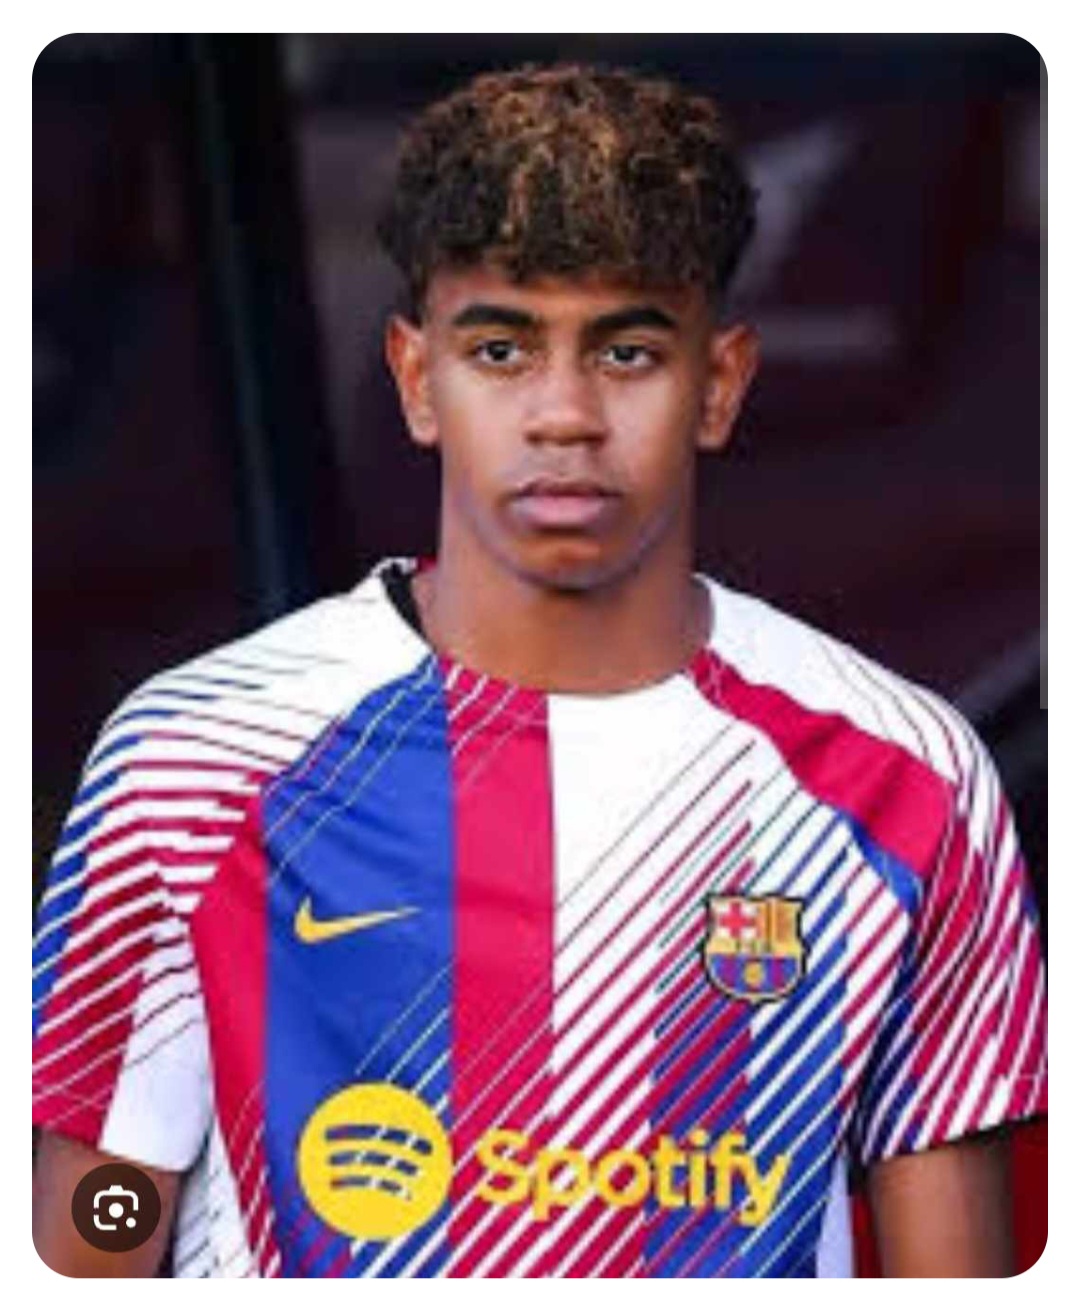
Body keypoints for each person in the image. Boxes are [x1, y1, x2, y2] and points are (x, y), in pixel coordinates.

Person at [32, 63, 1046, 1278]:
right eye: (503, 348)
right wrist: (108, 1216)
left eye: (628, 351)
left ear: (720, 384)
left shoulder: (906, 776)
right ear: (418, 380)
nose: (565, 413)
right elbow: (96, 1226)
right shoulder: (196, 757)